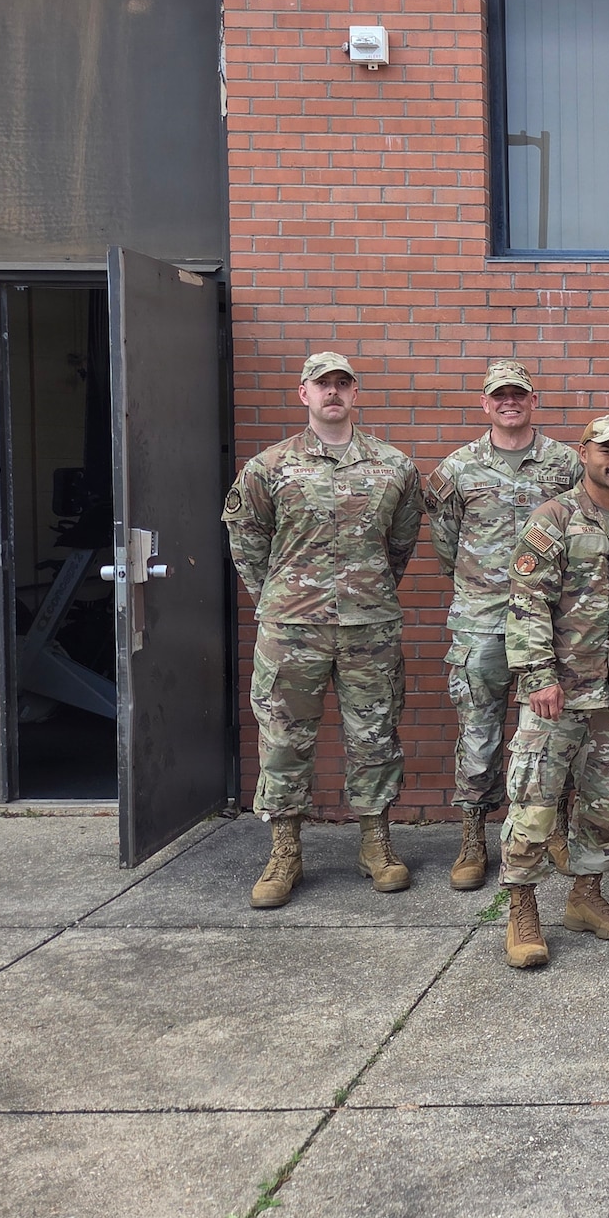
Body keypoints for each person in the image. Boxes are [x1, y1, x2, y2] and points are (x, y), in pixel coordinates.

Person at [223, 351, 422, 909]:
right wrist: (280, 598)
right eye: (322, 384)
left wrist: (365, 591)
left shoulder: (394, 467)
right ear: (304, 394)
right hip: (292, 629)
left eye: (342, 383)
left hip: (369, 627)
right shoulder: (268, 467)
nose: (332, 392)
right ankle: (285, 851)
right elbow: (247, 540)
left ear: (355, 393)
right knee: (283, 740)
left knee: (375, 735)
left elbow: (400, 544)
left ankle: (376, 843)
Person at [496, 415, 609, 969]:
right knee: (535, 802)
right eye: (607, 450)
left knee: (602, 803)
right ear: (584, 453)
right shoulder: (554, 519)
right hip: (559, 693)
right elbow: (526, 601)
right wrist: (538, 676)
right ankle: (522, 910)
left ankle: (585, 898)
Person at [425, 360, 583, 892]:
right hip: (483, 621)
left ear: (533, 400)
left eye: (518, 394)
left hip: (551, 623)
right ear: (485, 404)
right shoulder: (457, 469)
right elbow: (446, 544)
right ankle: (473, 837)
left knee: (553, 732)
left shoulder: (566, 464)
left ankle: (553, 829)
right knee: (478, 731)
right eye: (499, 395)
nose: (508, 402)